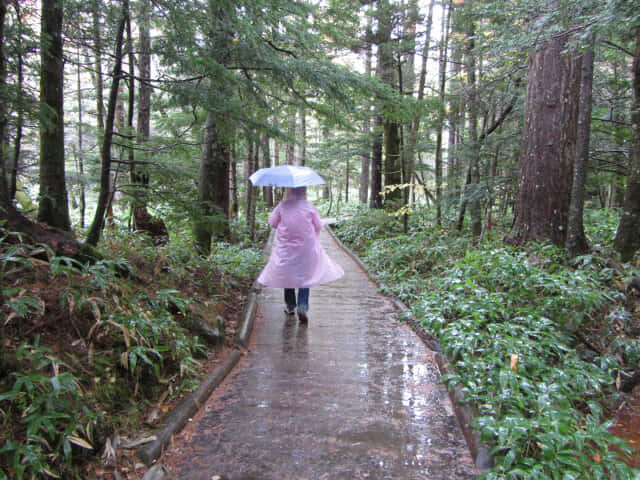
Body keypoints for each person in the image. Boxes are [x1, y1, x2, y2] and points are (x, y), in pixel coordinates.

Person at [257, 186, 344, 322]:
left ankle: (290, 306)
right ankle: (302, 306)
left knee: (288, 274)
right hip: (306, 248)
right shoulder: (309, 206)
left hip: (286, 247)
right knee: (306, 276)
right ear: (304, 191)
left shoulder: (283, 206)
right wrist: (310, 236)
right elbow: (318, 226)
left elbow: (272, 223)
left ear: (290, 191)